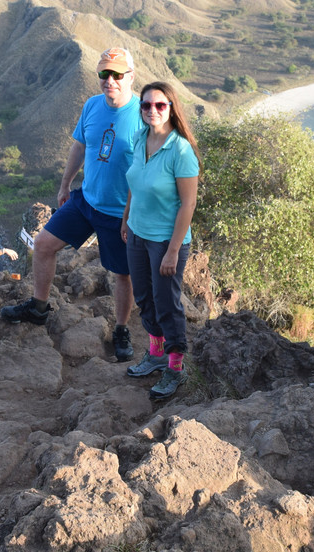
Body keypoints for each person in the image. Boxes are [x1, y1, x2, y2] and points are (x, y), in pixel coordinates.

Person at [0, 46, 143, 362]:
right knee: (43, 245)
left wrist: (136, 214)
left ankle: (121, 329)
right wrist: (65, 184)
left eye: (117, 74)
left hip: (119, 211)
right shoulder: (92, 105)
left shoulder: (143, 115)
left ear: (131, 76)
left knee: (121, 274)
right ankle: (38, 306)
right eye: (104, 73)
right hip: (86, 200)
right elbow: (80, 146)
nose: (110, 80)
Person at [121, 81, 200, 400]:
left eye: (160, 105)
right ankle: (155, 355)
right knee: (144, 298)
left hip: (167, 242)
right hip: (137, 235)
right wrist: (126, 218)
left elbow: (188, 204)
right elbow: (134, 182)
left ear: (171, 108)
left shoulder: (180, 150)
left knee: (167, 303)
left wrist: (171, 251)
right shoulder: (140, 138)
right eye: (146, 105)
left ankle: (176, 367)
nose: (152, 110)